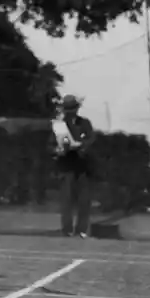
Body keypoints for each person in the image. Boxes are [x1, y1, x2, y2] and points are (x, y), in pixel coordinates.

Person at [51, 94, 97, 237]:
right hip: (66, 166)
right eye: (68, 109)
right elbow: (51, 145)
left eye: (73, 108)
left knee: (84, 201)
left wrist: (81, 146)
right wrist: (57, 150)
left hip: (82, 167)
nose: (71, 111)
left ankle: (81, 230)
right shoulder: (59, 125)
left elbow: (91, 140)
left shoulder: (84, 123)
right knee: (66, 201)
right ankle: (67, 230)